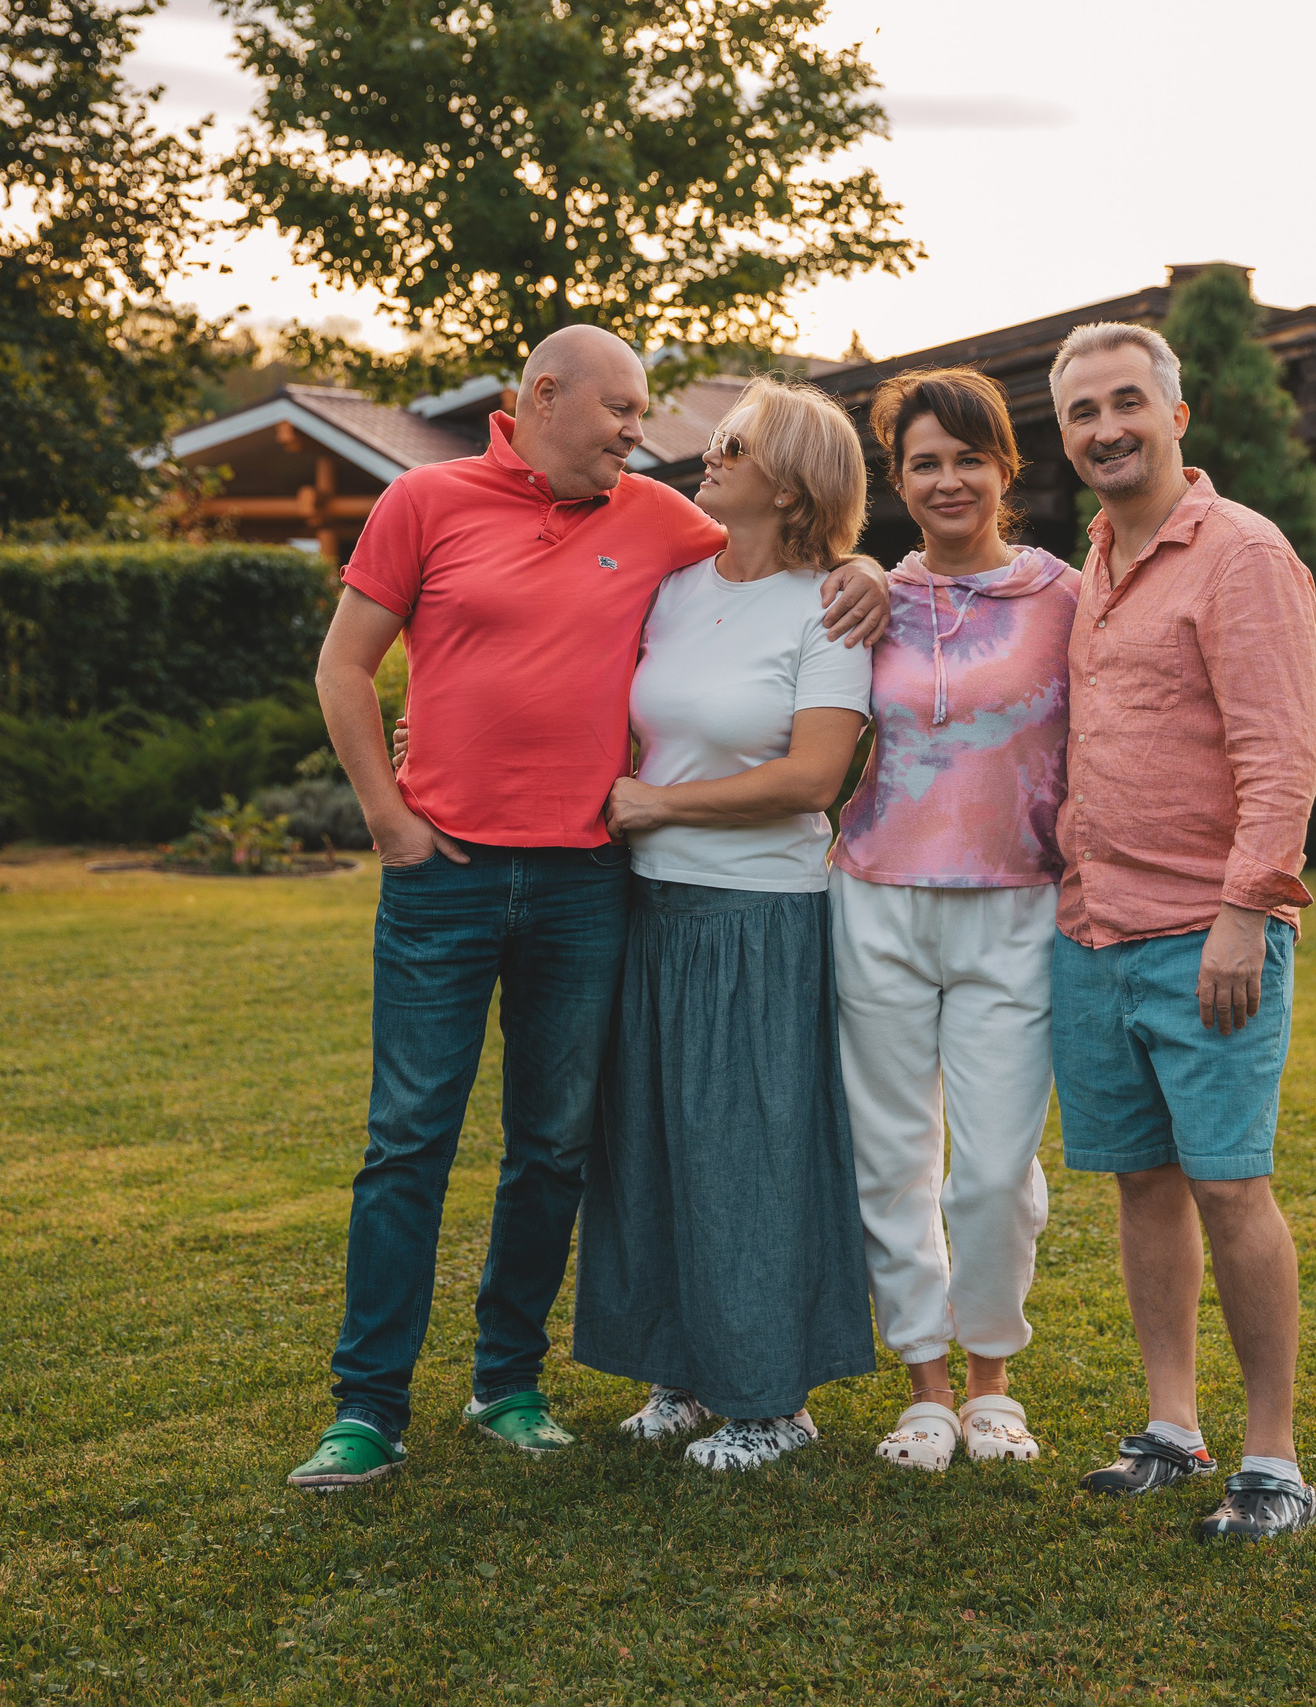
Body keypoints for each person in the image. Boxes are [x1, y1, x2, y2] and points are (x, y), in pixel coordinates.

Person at [285, 329, 887, 1493]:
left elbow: (793, 549)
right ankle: (367, 1408)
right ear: (543, 396)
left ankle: (507, 1381)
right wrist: (390, 821)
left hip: (585, 881)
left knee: (555, 1148)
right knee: (406, 1142)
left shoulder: (660, 520)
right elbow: (343, 667)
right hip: (441, 878)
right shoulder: (422, 500)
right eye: (620, 411)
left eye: (649, 417)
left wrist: (875, 573)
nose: (639, 434)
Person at [1045, 322, 1316, 1542]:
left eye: (1122, 404)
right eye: (1079, 413)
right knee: (1142, 1187)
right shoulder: (1093, 563)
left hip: (1203, 937)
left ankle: (1274, 1463)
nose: (1103, 428)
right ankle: (1170, 1427)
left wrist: (1242, 915)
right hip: (1094, 933)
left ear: (1174, 415)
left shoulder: (1241, 555)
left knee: (1229, 1187)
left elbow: (1283, 754)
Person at [571, 374, 878, 1472]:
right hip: (648, 904)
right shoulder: (676, 586)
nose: (711, 453)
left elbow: (811, 778)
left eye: (737, 444)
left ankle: (772, 1401)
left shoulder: (833, 607)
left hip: (757, 915)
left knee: (746, 1152)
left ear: (793, 482)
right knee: (654, 1142)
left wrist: (658, 803)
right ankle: (682, 1375)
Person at [829, 368, 1078, 1473]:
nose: (947, 481)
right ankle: (924, 1390)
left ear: (1003, 470)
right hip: (876, 895)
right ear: (898, 480)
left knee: (991, 1172)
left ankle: (992, 1383)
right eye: (923, 463)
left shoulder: (1065, 595)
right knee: (890, 1157)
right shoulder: (866, 597)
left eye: (967, 459)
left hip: (1016, 906)